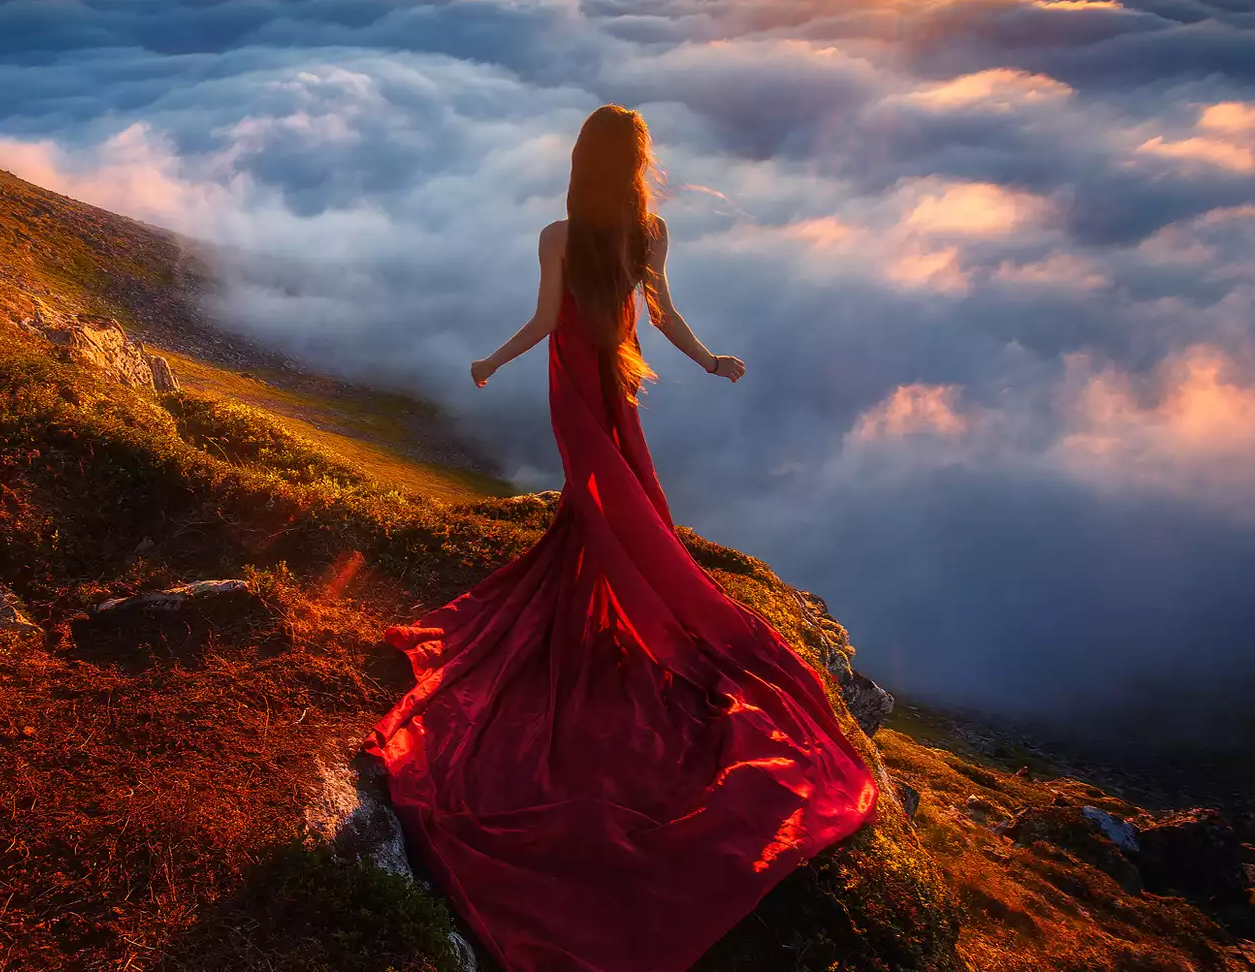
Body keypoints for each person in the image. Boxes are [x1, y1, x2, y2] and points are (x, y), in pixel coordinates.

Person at [364, 105, 879, 972]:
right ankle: (599, 588)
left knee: (611, 500)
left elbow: (553, 319)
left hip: (578, 384)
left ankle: (602, 594)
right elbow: (663, 315)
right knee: (619, 499)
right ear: (636, 164)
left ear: (580, 162)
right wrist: (707, 360)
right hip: (607, 381)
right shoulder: (647, 230)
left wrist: (494, 360)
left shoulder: (562, 234)